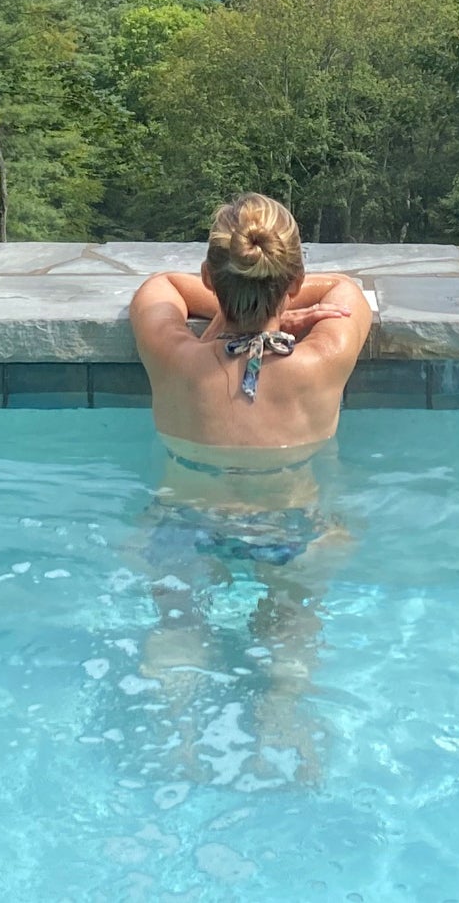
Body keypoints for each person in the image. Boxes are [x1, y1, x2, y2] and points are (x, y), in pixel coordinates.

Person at [125, 192, 371, 784]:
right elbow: (348, 292)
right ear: (295, 279)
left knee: (177, 627)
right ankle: (282, 710)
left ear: (211, 276)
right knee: (292, 625)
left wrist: (227, 317)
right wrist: (284, 315)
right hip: (289, 529)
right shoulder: (323, 360)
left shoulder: (174, 357)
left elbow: (161, 285)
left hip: (187, 520)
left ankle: (179, 735)